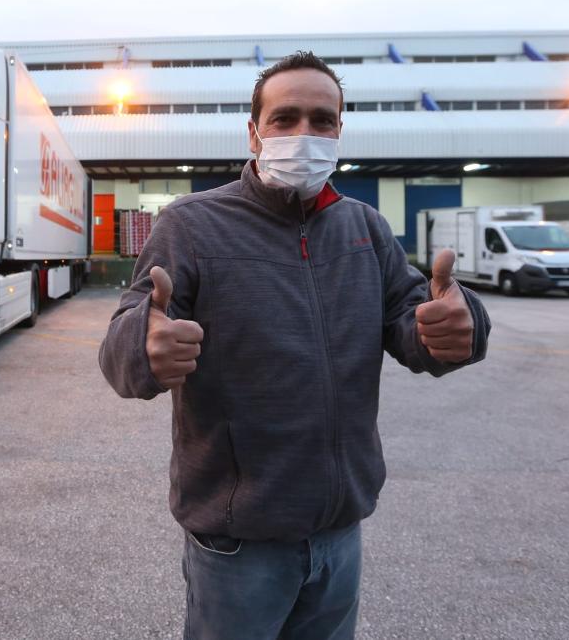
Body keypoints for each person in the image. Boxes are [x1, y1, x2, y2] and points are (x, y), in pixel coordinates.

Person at [98, 51, 491, 639]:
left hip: (340, 532)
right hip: (237, 544)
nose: (304, 133)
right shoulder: (192, 225)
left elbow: (415, 323)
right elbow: (125, 341)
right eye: (284, 119)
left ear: (339, 131)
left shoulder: (365, 228)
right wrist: (144, 346)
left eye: (321, 119)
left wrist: (459, 326)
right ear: (254, 133)